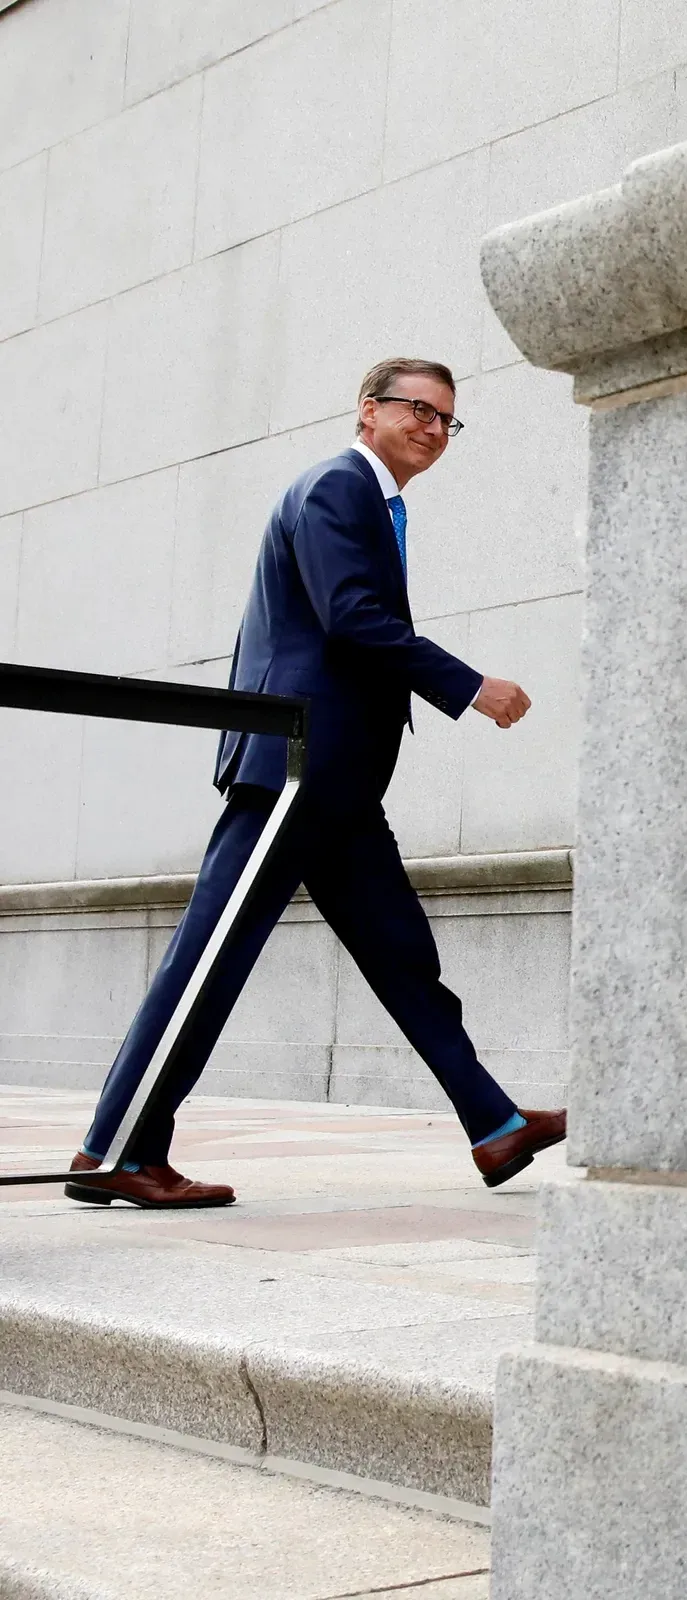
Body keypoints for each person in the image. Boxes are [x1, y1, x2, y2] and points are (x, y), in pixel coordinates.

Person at [66, 358, 566, 1208]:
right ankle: (117, 1151)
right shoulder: (338, 485)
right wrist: (469, 686)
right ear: (368, 411)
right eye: (419, 410)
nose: (433, 429)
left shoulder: (372, 500)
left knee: (405, 960)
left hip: (339, 784)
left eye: (447, 420)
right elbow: (353, 618)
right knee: (208, 961)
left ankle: (493, 1125)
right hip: (294, 772)